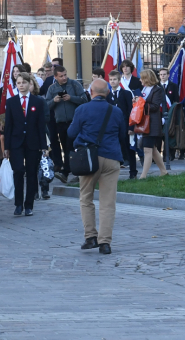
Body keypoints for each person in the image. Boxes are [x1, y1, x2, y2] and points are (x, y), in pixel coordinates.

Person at [68, 79, 125, 255]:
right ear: (107, 93)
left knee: (86, 198)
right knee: (108, 203)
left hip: (88, 159)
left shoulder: (82, 109)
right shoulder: (116, 111)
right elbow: (122, 135)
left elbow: (71, 133)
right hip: (111, 158)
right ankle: (105, 243)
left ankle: (90, 237)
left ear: (90, 92)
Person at [2, 73, 49, 216]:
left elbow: (41, 125)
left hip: (33, 142)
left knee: (31, 173)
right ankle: (18, 204)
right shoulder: (11, 102)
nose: (21, 85)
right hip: (16, 142)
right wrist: (7, 147)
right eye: (18, 82)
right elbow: (8, 126)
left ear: (30, 84)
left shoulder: (37, 101)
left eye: (24, 82)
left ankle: (29, 205)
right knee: (18, 172)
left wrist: (44, 146)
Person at [45, 66, 88, 182]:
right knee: (66, 147)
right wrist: (54, 101)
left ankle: (66, 172)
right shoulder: (52, 88)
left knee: (72, 147)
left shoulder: (74, 84)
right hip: (60, 122)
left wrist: (71, 98)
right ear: (55, 77)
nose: (64, 78)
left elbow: (84, 99)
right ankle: (71, 171)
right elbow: (46, 106)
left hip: (74, 121)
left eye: (65, 75)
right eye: (61, 76)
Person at [137, 69, 169, 178]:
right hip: (145, 122)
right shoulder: (145, 88)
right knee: (153, 149)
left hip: (153, 123)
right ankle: (164, 171)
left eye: (142, 77)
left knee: (147, 149)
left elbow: (155, 106)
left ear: (147, 78)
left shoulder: (157, 90)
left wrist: (141, 103)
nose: (140, 80)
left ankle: (143, 175)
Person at [107, 71, 136, 179]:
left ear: (119, 81)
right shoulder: (107, 95)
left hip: (125, 125)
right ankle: (113, 173)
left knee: (129, 149)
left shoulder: (126, 94)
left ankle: (133, 172)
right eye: (110, 80)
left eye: (114, 79)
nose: (112, 82)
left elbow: (130, 111)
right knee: (114, 149)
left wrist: (131, 127)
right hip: (112, 127)